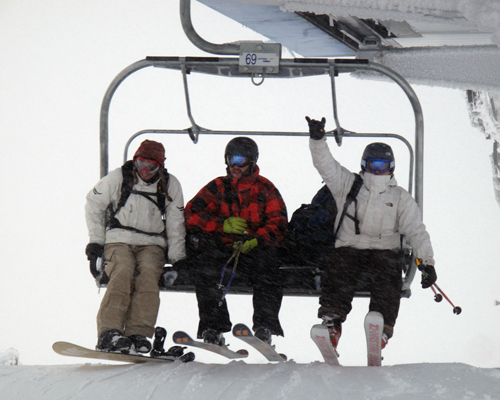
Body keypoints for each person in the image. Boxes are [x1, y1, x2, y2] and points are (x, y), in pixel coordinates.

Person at [305, 116, 437, 351]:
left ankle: (382, 330)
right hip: (350, 248)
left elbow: (416, 230)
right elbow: (326, 165)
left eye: (382, 166)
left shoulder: (400, 198)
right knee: (339, 264)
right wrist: (318, 139)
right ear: (364, 166)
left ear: (391, 168)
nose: (377, 172)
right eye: (372, 166)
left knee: (389, 269)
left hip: (384, 251)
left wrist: (426, 262)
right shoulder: (348, 185)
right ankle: (332, 323)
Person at [184, 137, 288, 346]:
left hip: (253, 250)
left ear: (251, 162)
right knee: (207, 269)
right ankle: (212, 327)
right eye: (232, 160)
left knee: (269, 269)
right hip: (224, 249)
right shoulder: (218, 187)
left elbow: (279, 222)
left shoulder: (265, 188)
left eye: (240, 160)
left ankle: (264, 326)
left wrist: (257, 239)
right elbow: (190, 214)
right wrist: (221, 225)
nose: (235, 166)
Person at [85, 139, 186, 353]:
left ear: (160, 166)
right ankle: (109, 332)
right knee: (122, 269)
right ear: (135, 161)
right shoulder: (118, 178)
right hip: (119, 238)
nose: (145, 171)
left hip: (152, 243)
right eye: (141, 164)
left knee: (149, 273)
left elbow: (176, 223)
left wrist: (178, 259)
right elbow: (94, 205)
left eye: (152, 166)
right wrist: (96, 241)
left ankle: (137, 332)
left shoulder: (169, 185)